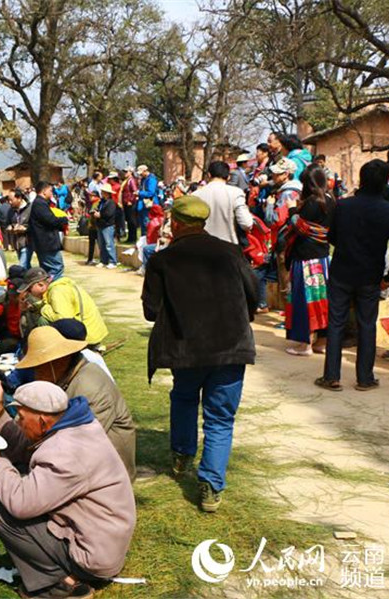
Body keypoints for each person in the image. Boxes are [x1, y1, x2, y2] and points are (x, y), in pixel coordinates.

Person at [141, 195, 257, 512]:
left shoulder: (162, 260)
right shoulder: (231, 252)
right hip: (231, 348)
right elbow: (254, 294)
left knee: (184, 398)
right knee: (220, 419)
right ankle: (210, 486)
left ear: (175, 223)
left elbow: (151, 311)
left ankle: (181, 455)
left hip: (186, 349)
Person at [0, 381, 136, 599]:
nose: (18, 422)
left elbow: (20, 503)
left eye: (21, 417)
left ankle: (57, 585)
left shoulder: (65, 453)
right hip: (105, 540)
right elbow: (27, 447)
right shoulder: (79, 428)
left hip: (94, 558)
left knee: (6, 514)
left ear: (42, 421)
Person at [317, 160, 389, 391]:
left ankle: (331, 376)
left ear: (361, 180)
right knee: (367, 325)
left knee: (336, 323)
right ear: (385, 182)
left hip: (342, 271)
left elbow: (331, 237)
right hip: (370, 275)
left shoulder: (343, 206)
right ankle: (365, 378)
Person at [13, 326, 136, 480]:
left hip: (107, 474)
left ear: (57, 361)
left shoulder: (89, 386)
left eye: (38, 367)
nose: (36, 374)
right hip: (82, 460)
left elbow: (77, 445)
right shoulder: (65, 378)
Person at [283, 167, 335, 356]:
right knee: (322, 300)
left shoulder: (312, 203)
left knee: (304, 300)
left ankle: (304, 344)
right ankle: (321, 342)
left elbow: (299, 226)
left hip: (305, 259)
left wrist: (291, 210)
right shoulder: (330, 200)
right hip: (322, 259)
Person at [19, 267, 109, 346]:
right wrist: (33, 307)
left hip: (87, 337)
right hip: (87, 331)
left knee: (43, 320)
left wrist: (42, 308)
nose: (30, 293)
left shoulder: (57, 291)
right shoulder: (54, 288)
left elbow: (64, 320)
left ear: (40, 285)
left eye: (30, 290)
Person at [195, 160, 253, 245]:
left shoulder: (195, 195)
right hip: (229, 247)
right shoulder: (236, 193)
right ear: (228, 177)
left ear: (209, 175)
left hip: (202, 246)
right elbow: (246, 223)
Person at [28, 181, 68, 279]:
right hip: (47, 244)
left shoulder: (41, 203)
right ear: (44, 191)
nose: (52, 193)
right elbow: (51, 220)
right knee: (57, 267)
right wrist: (64, 219)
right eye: (50, 191)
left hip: (45, 244)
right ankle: (52, 289)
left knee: (47, 271)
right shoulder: (39, 204)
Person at [7, 189, 33, 268]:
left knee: (22, 266)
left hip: (27, 242)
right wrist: (10, 227)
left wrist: (25, 228)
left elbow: (35, 225)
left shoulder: (30, 208)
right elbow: (8, 223)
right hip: (16, 243)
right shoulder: (10, 211)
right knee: (26, 266)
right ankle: (31, 278)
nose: (9, 202)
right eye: (9, 200)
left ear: (19, 198)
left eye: (11, 200)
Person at [96, 183, 118, 268]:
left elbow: (109, 213)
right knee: (101, 244)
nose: (101, 193)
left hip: (108, 225)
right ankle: (103, 260)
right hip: (101, 224)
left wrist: (100, 214)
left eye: (103, 192)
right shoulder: (101, 202)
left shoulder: (111, 203)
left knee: (109, 244)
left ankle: (113, 261)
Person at [136, 165, 159, 236]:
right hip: (143, 205)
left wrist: (139, 193)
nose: (140, 175)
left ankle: (148, 240)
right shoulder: (143, 179)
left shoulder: (151, 179)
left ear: (145, 171)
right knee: (143, 224)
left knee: (147, 224)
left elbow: (151, 193)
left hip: (149, 205)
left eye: (141, 173)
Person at [120, 166, 139, 243]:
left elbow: (135, 191)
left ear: (131, 172)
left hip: (130, 204)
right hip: (126, 203)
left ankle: (133, 238)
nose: (125, 173)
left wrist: (131, 200)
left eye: (126, 172)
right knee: (129, 221)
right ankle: (130, 237)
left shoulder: (131, 181)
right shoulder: (126, 181)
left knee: (132, 221)